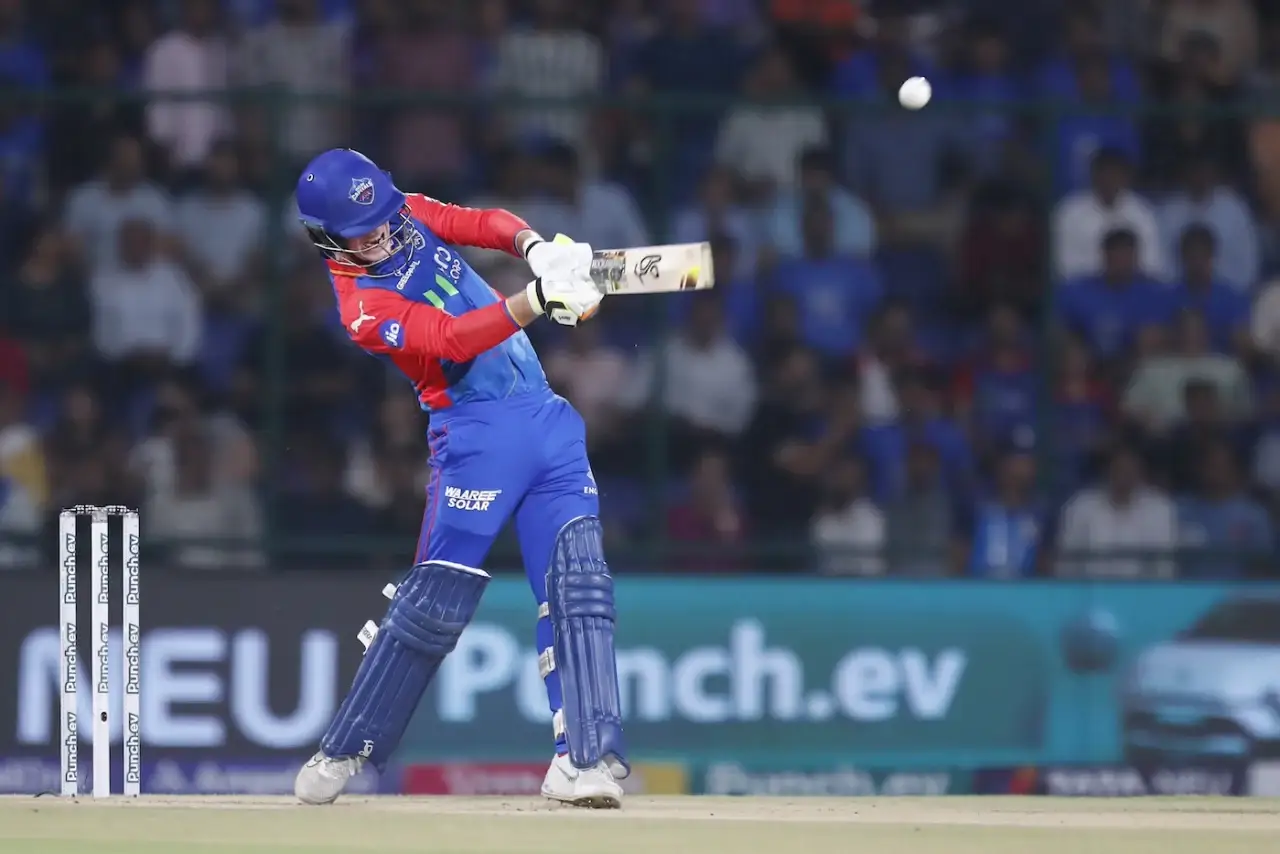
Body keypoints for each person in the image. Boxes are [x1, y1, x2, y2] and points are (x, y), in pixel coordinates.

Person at [290, 149, 627, 808]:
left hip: (547, 420)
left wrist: (536, 249)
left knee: (580, 587)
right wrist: (536, 299)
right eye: (361, 230)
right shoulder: (362, 307)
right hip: (475, 438)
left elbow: (481, 223)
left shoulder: (404, 213)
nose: (380, 233)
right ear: (325, 237)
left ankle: (581, 760)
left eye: (382, 216)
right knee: (434, 604)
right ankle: (343, 749)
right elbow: (451, 339)